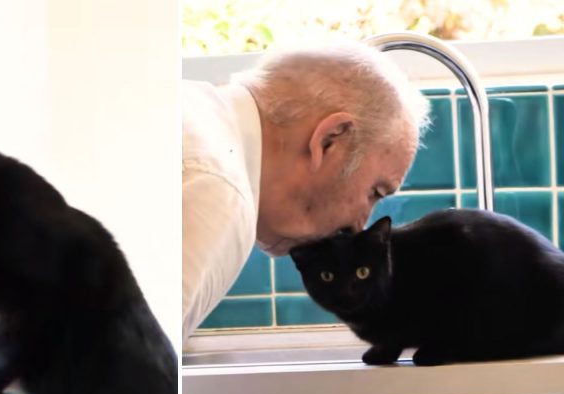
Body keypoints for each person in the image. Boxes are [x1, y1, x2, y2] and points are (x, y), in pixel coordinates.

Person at [182, 41, 431, 344]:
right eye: (374, 192)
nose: (359, 226)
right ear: (330, 141)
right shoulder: (217, 191)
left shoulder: (192, 110)